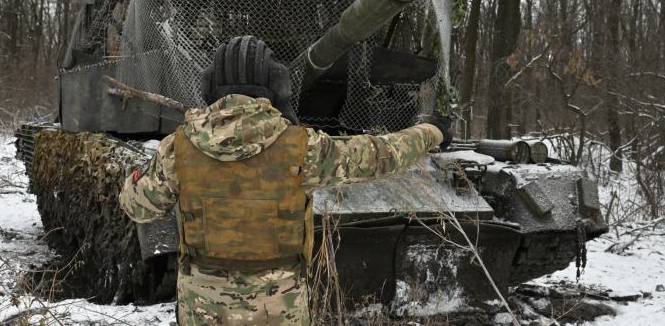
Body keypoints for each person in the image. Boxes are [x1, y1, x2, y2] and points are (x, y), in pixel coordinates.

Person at [119, 36, 451, 326]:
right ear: (278, 85)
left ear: (209, 87)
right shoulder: (302, 147)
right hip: (279, 308)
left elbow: (137, 208)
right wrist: (431, 132)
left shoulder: (178, 147)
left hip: (202, 306)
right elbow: (383, 155)